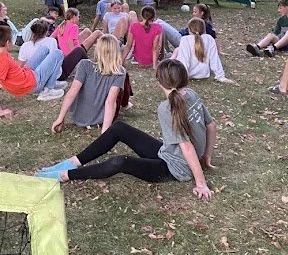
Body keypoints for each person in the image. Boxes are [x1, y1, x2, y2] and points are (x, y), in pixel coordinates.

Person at [35, 59, 215, 200]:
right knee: (119, 128)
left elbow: (187, 147)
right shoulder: (191, 94)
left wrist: (200, 183)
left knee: (120, 162)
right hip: (169, 154)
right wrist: (206, 156)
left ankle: (65, 175)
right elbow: (211, 125)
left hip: (176, 168)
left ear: (159, 81)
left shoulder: (166, 108)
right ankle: (73, 162)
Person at [0, 24, 65, 118]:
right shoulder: (3, 61)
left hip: (25, 74)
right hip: (31, 84)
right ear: (7, 43)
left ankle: (50, 82)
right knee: (58, 53)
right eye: (12, 40)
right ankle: (47, 90)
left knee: (44, 49)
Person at [51, 34, 127, 133]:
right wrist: (105, 131)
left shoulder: (84, 64)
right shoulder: (120, 72)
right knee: (116, 97)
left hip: (77, 116)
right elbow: (110, 103)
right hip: (99, 119)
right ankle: (126, 104)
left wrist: (60, 118)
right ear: (116, 52)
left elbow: (71, 93)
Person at [172, 18, 232, 82]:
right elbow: (214, 59)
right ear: (204, 29)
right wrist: (221, 76)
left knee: (176, 52)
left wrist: (181, 77)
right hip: (203, 74)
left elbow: (184, 59)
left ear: (189, 29)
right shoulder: (209, 39)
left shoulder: (185, 40)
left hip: (188, 74)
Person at [127, 4, 164, 69]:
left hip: (138, 60)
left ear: (141, 15)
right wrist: (154, 66)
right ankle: (163, 55)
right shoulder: (157, 27)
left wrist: (121, 61)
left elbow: (128, 46)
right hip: (151, 60)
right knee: (160, 31)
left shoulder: (133, 26)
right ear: (153, 16)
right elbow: (155, 48)